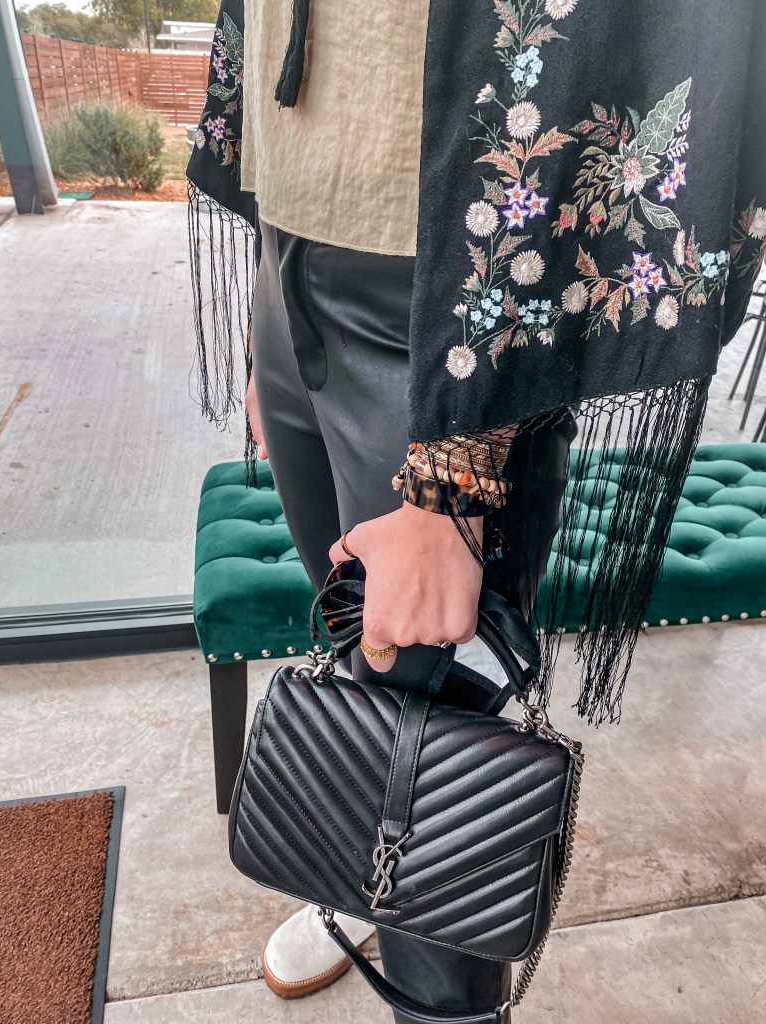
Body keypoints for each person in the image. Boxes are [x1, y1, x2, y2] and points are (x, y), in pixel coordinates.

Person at [186, 1, 766, 1019]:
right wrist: (266, 319)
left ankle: (433, 973)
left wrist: (456, 475)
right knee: (367, 672)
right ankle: (368, 885)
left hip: (456, 294)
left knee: (445, 757)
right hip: (295, 240)